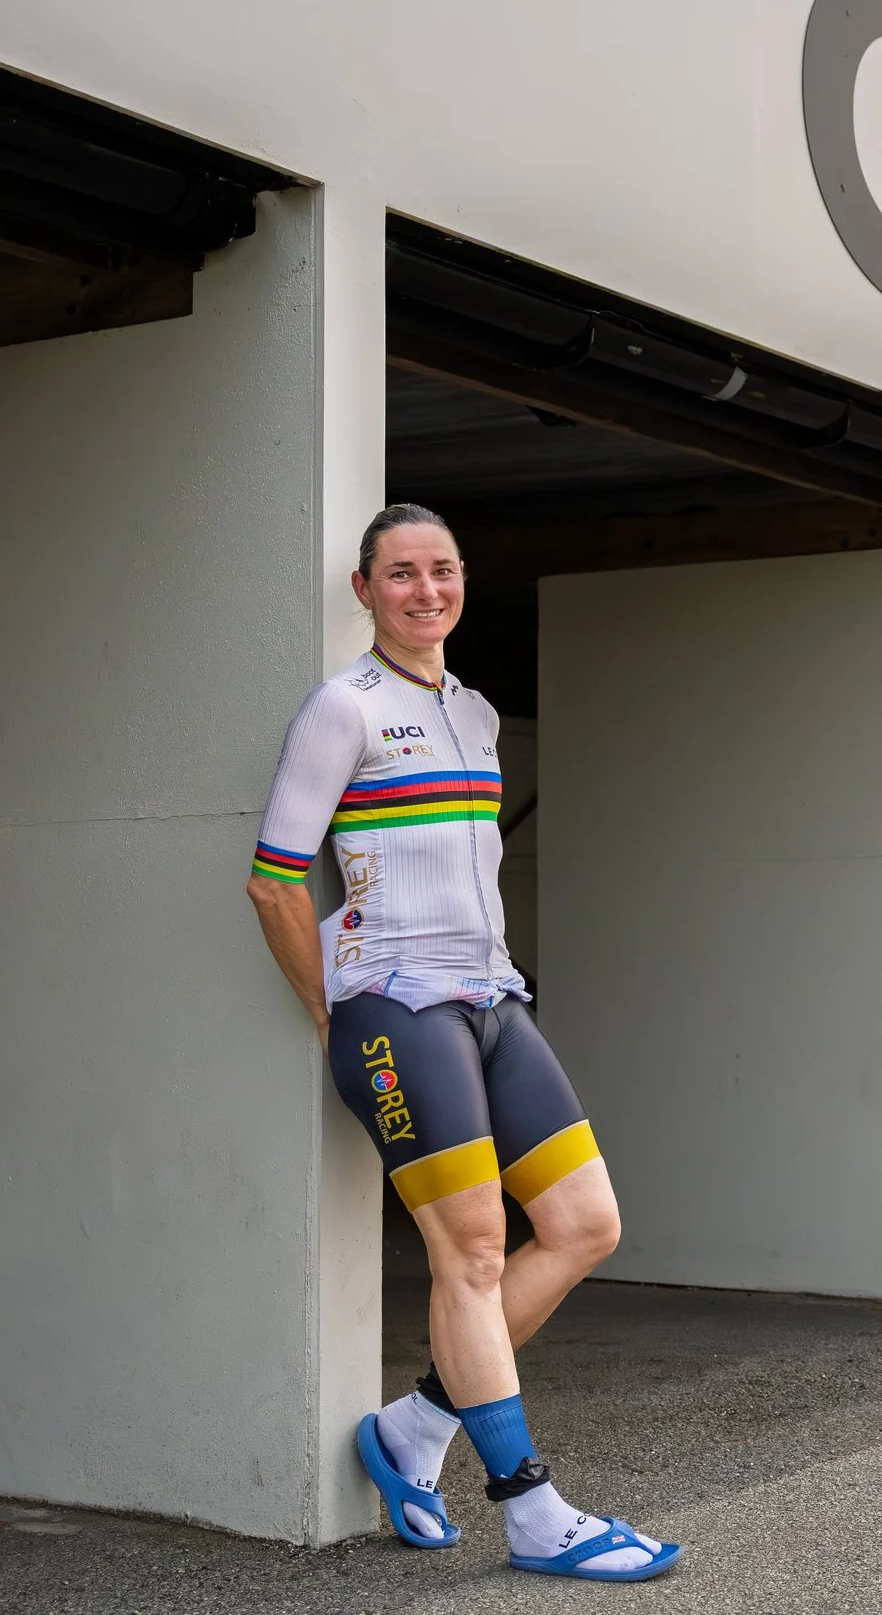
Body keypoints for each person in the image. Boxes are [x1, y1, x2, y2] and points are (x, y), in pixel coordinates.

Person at [246, 503, 680, 1582]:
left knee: (585, 1223)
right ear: (365, 590)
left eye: (440, 570)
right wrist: (326, 1002)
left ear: (461, 581)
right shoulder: (341, 710)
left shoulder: (477, 714)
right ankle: (529, 1509)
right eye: (400, 573)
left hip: (491, 998)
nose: (424, 589)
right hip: (398, 1005)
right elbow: (272, 875)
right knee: (475, 1250)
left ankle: (413, 1427)